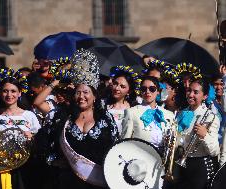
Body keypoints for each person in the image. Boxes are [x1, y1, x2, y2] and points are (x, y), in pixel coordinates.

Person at [41, 49, 118, 189]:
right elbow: (49, 144)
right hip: (68, 181)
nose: (81, 96)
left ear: (94, 96)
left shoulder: (106, 119)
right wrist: (56, 159)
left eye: (86, 92)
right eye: (78, 92)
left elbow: (114, 149)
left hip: (97, 182)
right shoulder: (63, 118)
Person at [0, 76, 41, 189]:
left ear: (20, 93)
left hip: (24, 168)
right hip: (0, 168)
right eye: (5, 91)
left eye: (13, 91)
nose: (9, 95)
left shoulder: (29, 116)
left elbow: (37, 143)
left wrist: (31, 138)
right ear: (0, 93)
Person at [176, 78, 220, 189]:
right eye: (189, 91)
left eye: (196, 92)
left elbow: (214, 151)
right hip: (182, 166)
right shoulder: (181, 113)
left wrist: (205, 135)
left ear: (204, 96)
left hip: (200, 168)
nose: (190, 95)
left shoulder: (211, 117)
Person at [121, 76, 175, 149]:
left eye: (152, 89)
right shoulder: (131, 112)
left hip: (161, 157)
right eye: (143, 89)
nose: (147, 92)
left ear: (158, 91)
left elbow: (174, 142)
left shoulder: (169, 115)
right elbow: (124, 142)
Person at [103, 66, 140, 135]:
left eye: (122, 86)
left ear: (129, 91)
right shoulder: (103, 104)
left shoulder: (134, 108)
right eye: (115, 84)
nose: (117, 88)